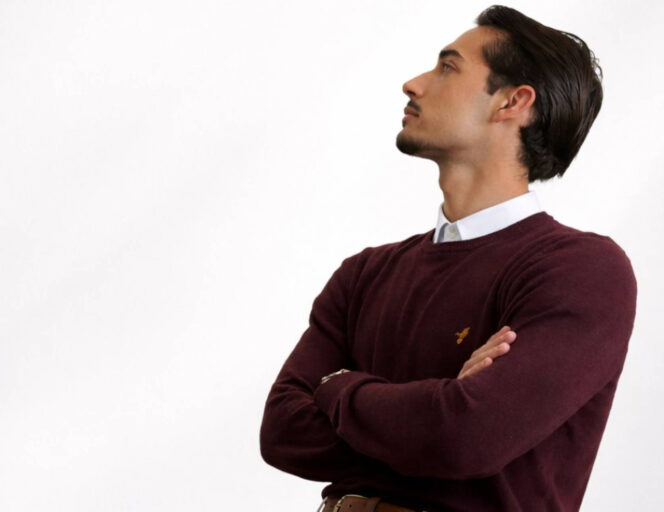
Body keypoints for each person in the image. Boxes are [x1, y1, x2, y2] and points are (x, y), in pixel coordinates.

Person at [259, 5, 637, 512]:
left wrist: (336, 388)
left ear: (513, 102)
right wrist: (435, 406)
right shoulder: (364, 274)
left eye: (448, 68)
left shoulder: (582, 270)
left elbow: (465, 437)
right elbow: (281, 433)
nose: (413, 84)